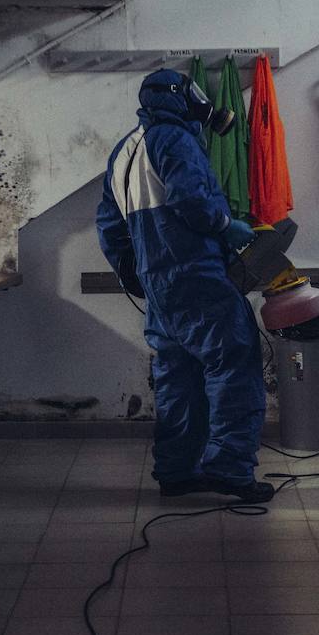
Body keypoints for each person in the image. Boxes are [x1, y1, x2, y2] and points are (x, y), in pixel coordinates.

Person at [96, 69, 274, 503]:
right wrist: (225, 226)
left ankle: (176, 472)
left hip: (160, 287)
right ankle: (231, 470)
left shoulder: (124, 151)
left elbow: (107, 226)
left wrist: (135, 273)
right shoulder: (173, 139)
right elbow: (192, 200)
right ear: (182, 98)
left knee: (179, 377)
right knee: (234, 364)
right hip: (198, 277)